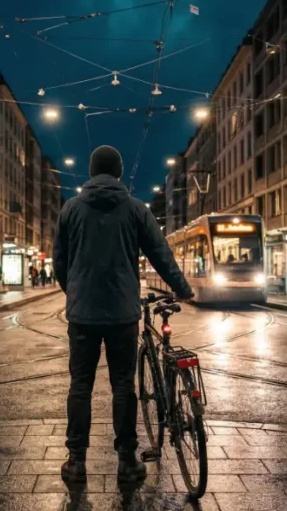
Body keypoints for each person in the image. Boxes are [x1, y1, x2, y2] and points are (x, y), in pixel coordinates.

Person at [54, 145, 194, 484]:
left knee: (80, 386)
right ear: (118, 172)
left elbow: (61, 261)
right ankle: (127, 460)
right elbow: (160, 253)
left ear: (90, 171)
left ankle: (76, 461)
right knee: (123, 385)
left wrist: (73, 291)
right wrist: (183, 287)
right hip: (122, 315)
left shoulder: (71, 208)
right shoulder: (135, 209)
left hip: (82, 315)